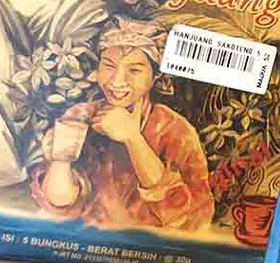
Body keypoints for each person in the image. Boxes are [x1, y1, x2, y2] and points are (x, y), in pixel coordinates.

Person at [31, 18, 214, 230]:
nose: (117, 81)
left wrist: (133, 139)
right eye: (109, 66)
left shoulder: (175, 130)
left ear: (155, 76)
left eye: (134, 70)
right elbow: (59, 203)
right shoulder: (80, 117)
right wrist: (61, 159)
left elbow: (195, 218)